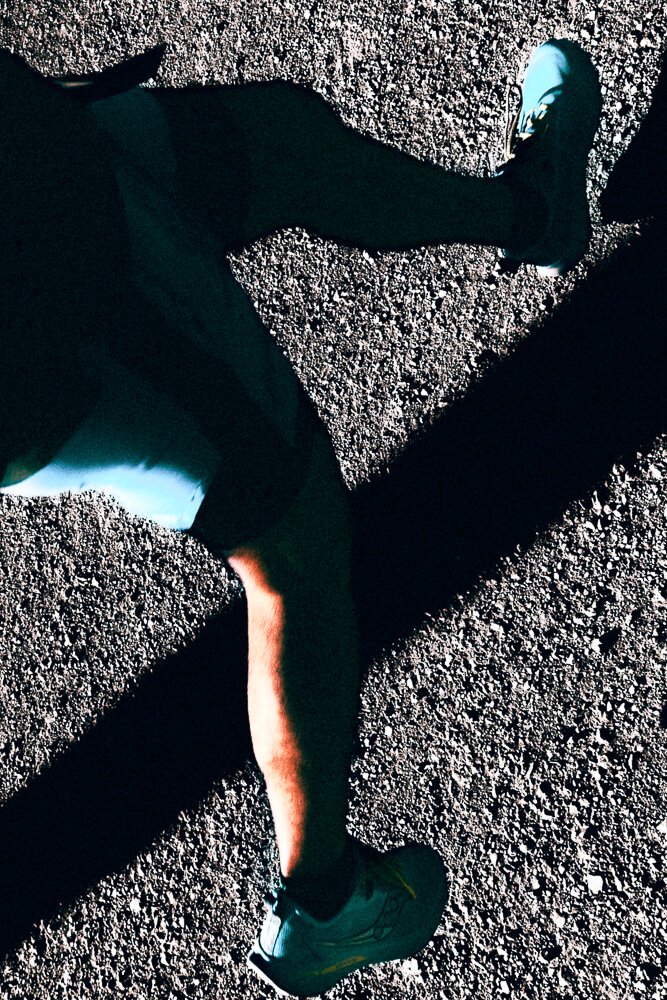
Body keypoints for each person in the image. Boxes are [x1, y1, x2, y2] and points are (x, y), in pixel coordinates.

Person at [0, 37, 600, 996]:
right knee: (289, 541)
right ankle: (324, 903)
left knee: (283, 139)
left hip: (43, 165)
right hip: (58, 301)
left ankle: (534, 214)